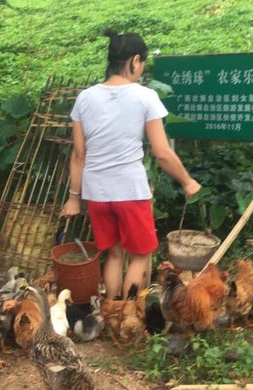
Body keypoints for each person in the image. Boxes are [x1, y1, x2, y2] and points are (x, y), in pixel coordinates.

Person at [61, 28, 201, 299]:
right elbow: (162, 153)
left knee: (114, 255)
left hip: (97, 193)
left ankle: (112, 311)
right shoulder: (145, 96)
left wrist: (74, 198)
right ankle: (128, 313)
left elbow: (79, 155)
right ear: (135, 60)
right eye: (142, 62)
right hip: (130, 192)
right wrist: (187, 181)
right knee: (140, 256)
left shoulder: (85, 98)